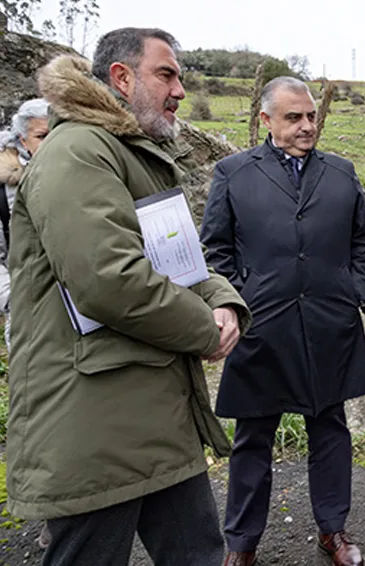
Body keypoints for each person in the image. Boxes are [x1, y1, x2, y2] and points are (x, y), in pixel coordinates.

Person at [5, 28, 251, 566]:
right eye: (167, 74)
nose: (180, 90)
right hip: (95, 424)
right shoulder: (77, 152)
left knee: (199, 556)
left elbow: (181, 259)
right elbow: (109, 279)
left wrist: (225, 300)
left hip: (158, 415)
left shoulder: (132, 153)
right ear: (121, 77)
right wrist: (203, 328)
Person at [201, 76, 365, 566]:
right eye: (293, 118)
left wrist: (355, 293)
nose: (306, 126)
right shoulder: (234, 173)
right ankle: (241, 544)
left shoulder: (341, 173)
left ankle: (333, 530)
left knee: (330, 431)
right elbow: (215, 249)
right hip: (261, 327)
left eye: (311, 116)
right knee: (253, 439)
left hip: (328, 326)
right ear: (265, 120)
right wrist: (241, 299)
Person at [0, 97, 50, 550]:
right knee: (35, 406)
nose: (50, 145)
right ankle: (46, 511)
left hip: (76, 311)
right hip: (25, 310)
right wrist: (18, 295)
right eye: (41, 136)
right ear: (21, 139)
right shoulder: (5, 185)